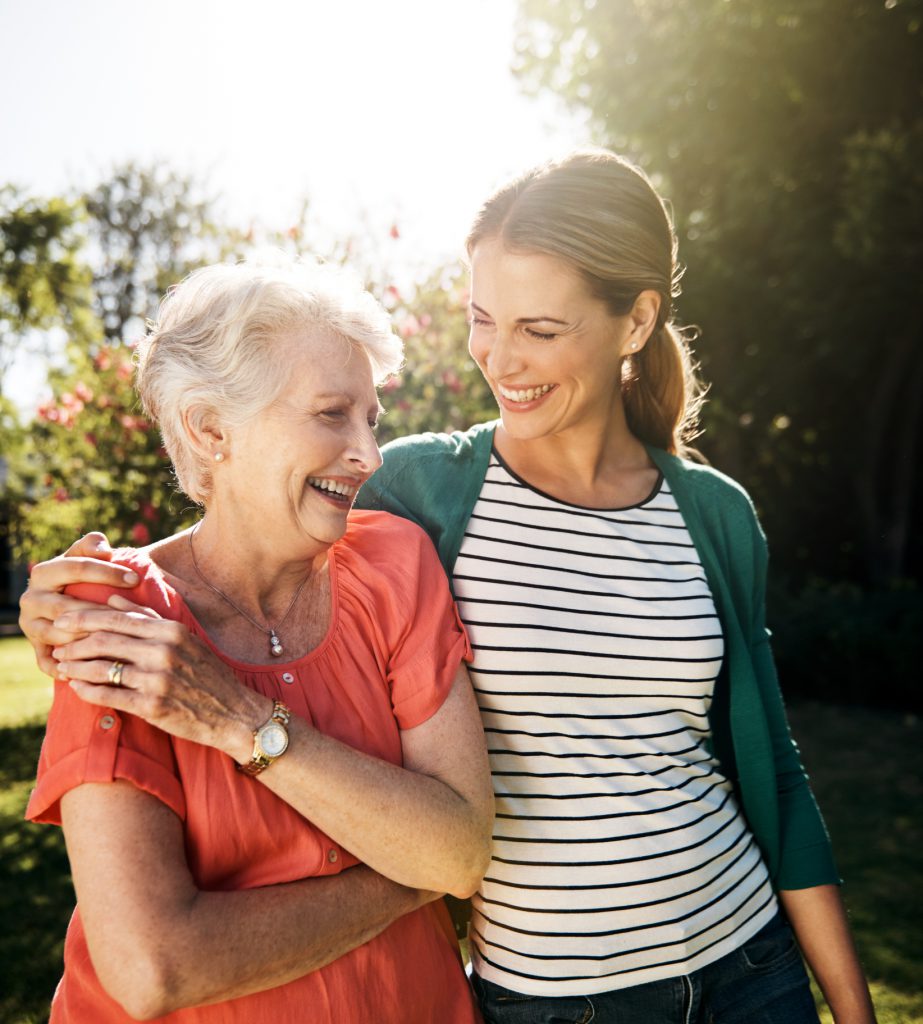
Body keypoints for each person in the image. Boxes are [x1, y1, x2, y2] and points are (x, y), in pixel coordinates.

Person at [20, 150, 876, 1024]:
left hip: (747, 959)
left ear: (635, 321)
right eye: (481, 318)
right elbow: (243, 517)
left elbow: (770, 764)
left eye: (540, 329)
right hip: (552, 999)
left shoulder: (711, 514)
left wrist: (850, 1005)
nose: (500, 360)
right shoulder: (426, 492)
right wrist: (91, 588)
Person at [21, 257, 494, 1023]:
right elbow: (154, 967)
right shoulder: (115, 613)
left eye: (370, 419)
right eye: (331, 413)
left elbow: (461, 849)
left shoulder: (393, 564)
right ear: (211, 430)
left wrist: (238, 720)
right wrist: (410, 871)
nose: (369, 455)